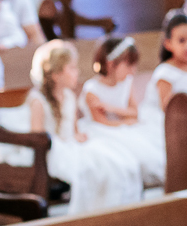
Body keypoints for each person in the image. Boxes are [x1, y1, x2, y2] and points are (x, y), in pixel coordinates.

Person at [28, 40, 141, 215]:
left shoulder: (69, 96)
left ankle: (117, 209)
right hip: (53, 148)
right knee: (88, 169)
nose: (77, 72)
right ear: (56, 74)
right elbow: (37, 136)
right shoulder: (38, 101)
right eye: (72, 68)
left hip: (71, 144)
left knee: (112, 162)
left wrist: (79, 136)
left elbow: (74, 130)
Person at [79, 36, 163, 189]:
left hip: (125, 126)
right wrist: (126, 121)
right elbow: (102, 122)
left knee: (154, 148)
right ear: (111, 64)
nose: (133, 71)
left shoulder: (126, 82)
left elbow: (134, 112)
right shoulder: (92, 89)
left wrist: (112, 108)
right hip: (103, 131)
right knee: (129, 156)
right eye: (129, 65)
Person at [141, 11, 187, 125]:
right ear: (168, 44)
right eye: (182, 41)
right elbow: (168, 109)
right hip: (168, 122)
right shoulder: (165, 72)